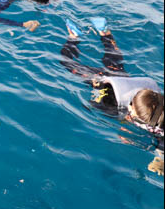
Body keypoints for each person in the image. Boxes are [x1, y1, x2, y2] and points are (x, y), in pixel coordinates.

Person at [60, 17, 164, 174]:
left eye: (132, 106)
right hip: (105, 83)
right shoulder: (154, 124)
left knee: (114, 59)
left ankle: (104, 31)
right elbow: (95, 102)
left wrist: (160, 160)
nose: (129, 106)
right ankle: (74, 36)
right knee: (66, 62)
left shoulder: (155, 123)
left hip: (122, 78)